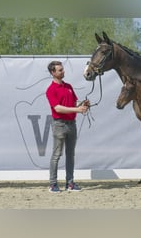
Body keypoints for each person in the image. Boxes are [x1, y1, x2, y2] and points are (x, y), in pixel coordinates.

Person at [46, 60, 90, 193]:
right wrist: (77, 110)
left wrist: (83, 104)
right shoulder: (50, 90)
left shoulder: (69, 86)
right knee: (56, 155)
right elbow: (58, 108)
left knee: (70, 155)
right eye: (60, 70)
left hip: (72, 124)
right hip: (59, 124)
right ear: (53, 73)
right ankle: (53, 184)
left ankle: (70, 183)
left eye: (62, 69)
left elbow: (74, 103)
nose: (63, 71)